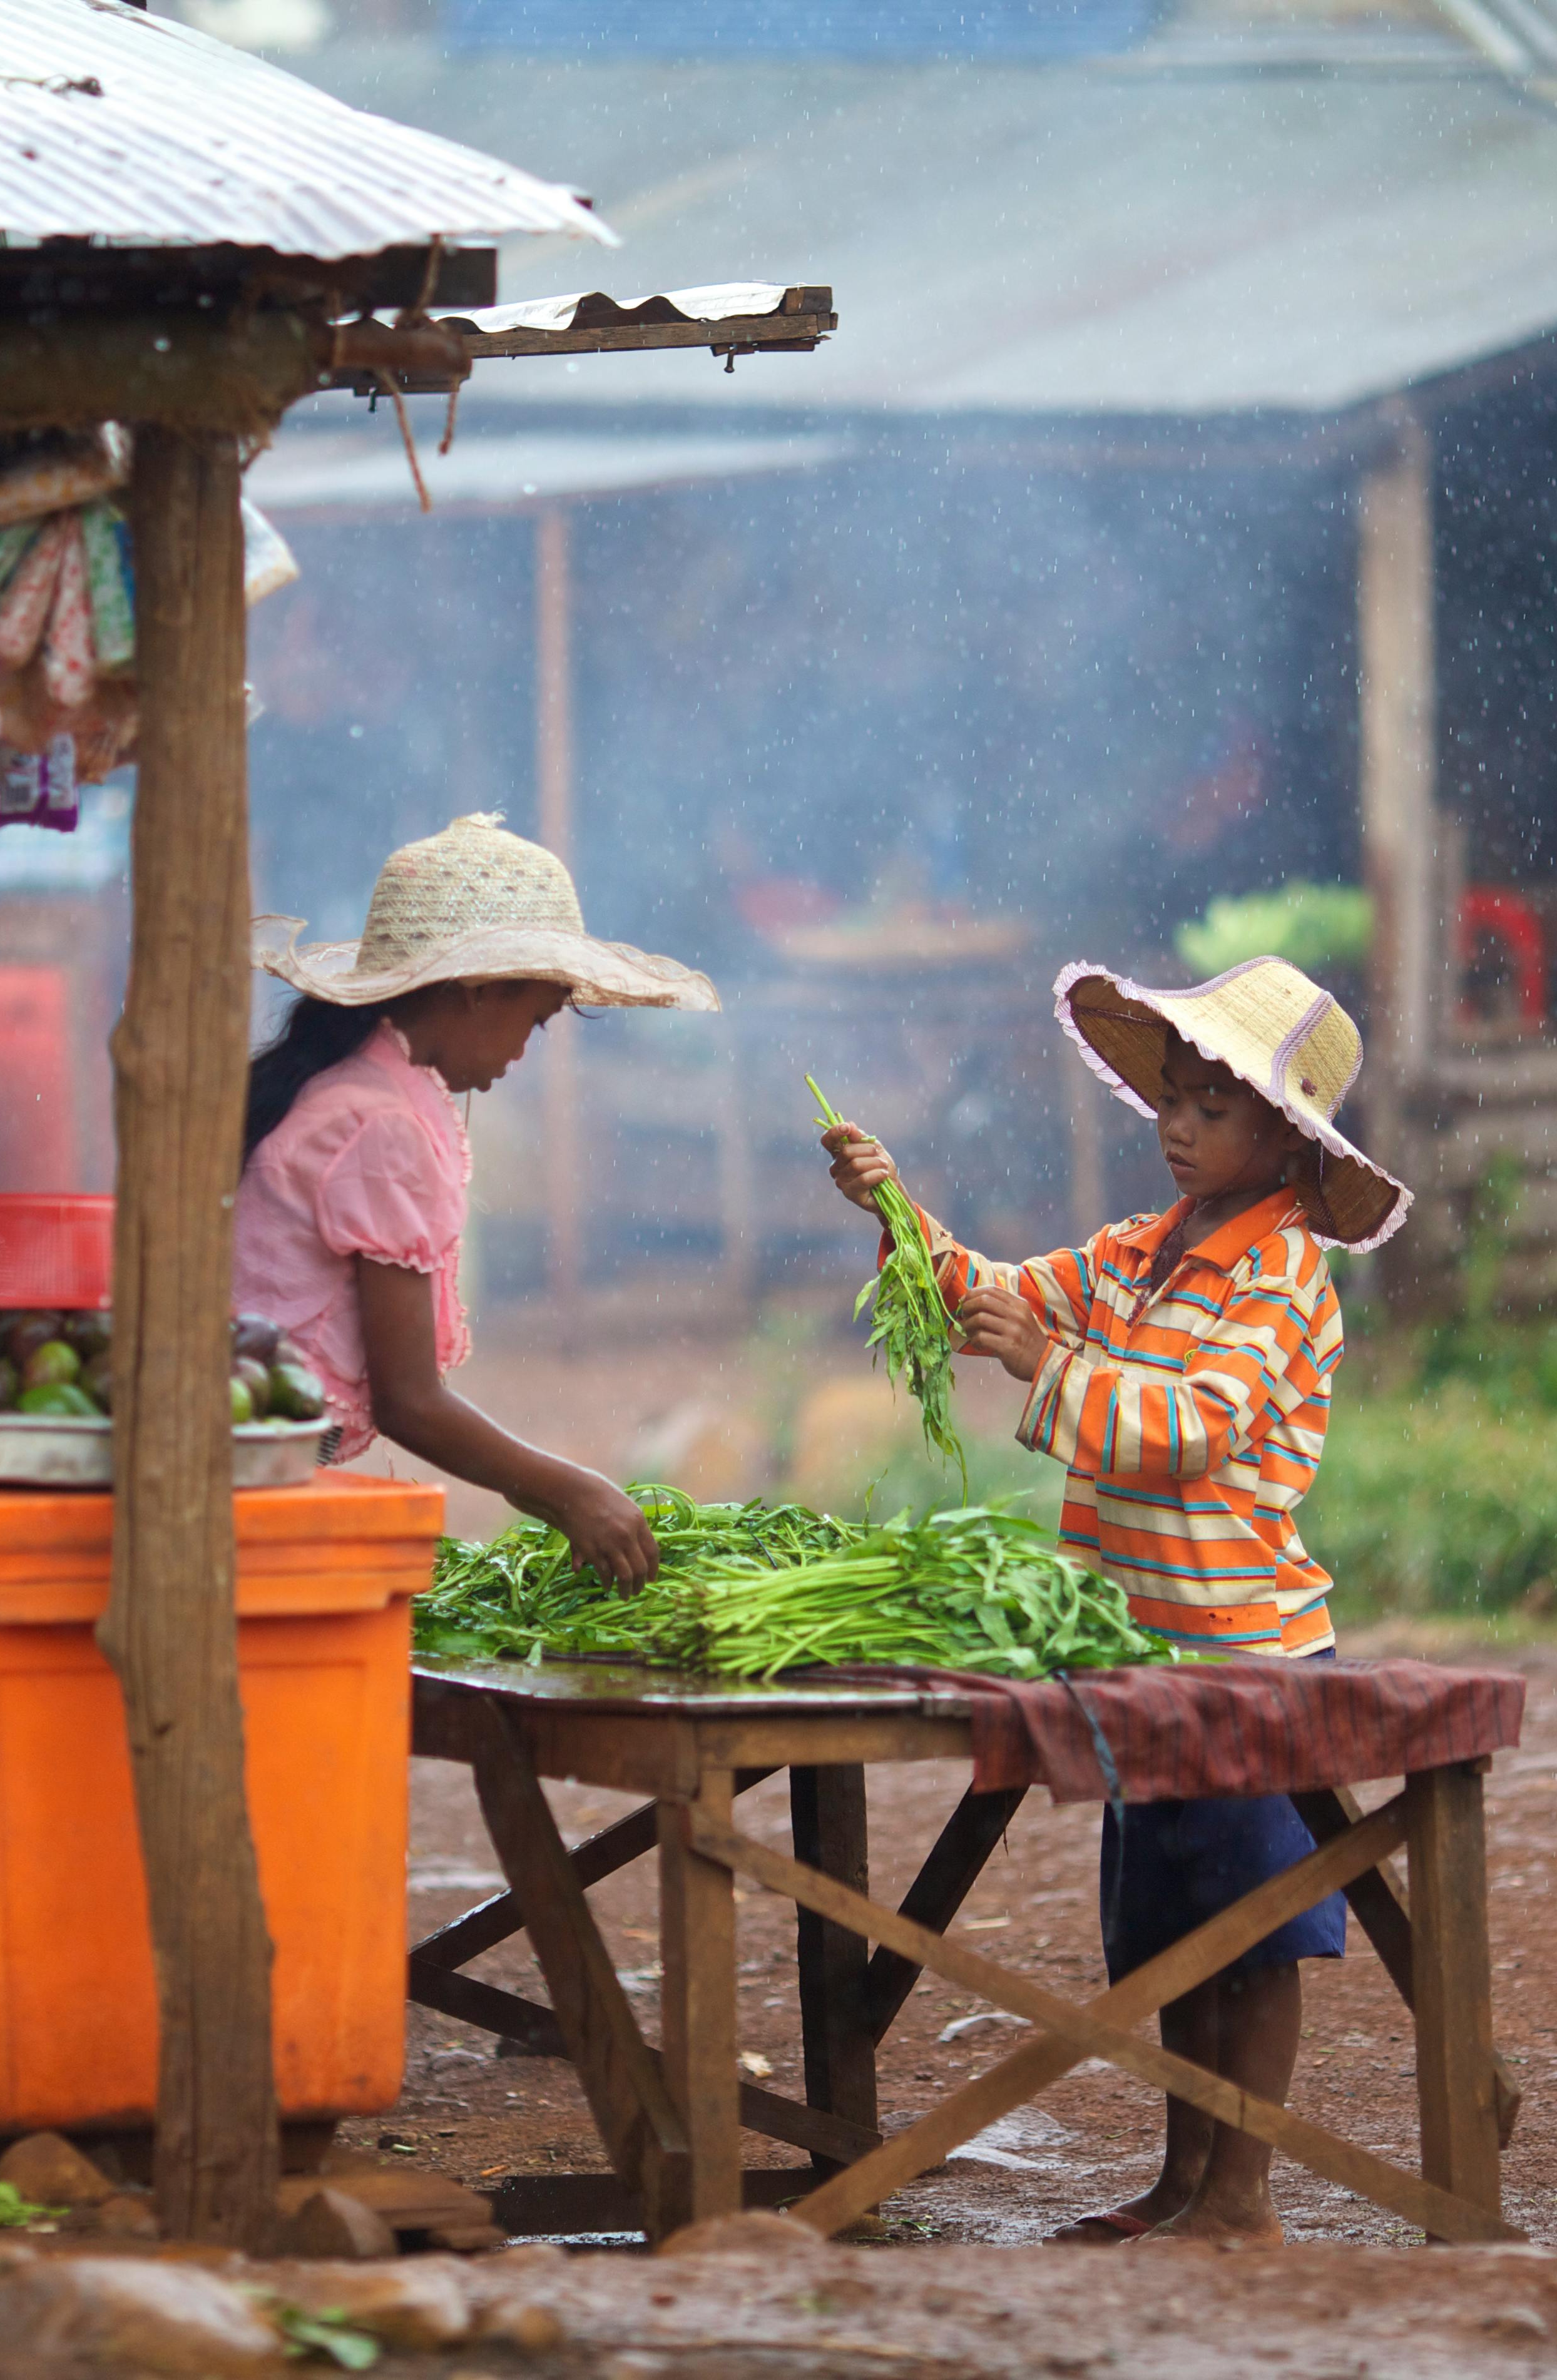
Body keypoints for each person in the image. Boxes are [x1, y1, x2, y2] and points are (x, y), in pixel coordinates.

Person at [819, 955, 1410, 2249]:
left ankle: (1242, 2196)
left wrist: (1053, 1365)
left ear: (1288, 1141)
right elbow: (993, 1296)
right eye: (1175, 1099)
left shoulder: (1282, 1276)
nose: (1180, 1124)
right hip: (1137, 1647)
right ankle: (1183, 2177)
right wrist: (899, 1211)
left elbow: (1191, 1431)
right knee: (1168, 1928)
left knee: (1250, 1934)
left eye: (1215, 1105)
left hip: (1245, 1650)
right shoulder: (1134, 1255)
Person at [238, 813, 717, 1587]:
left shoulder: (349, 1088)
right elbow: (410, 1403)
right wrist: (571, 1494)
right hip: (248, 1483)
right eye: (531, 1020)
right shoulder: (380, 1124)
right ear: (475, 992)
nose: (523, 1051)